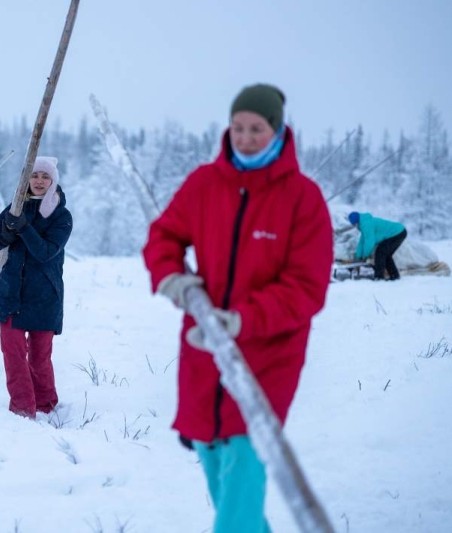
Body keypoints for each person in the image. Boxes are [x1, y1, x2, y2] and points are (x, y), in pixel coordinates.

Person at [143, 84, 333, 532]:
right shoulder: (206, 184)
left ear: (279, 130)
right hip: (205, 350)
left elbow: (307, 286)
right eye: (238, 127)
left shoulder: (303, 199)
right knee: (218, 473)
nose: (245, 137)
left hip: (268, 357)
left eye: (257, 128)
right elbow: (164, 236)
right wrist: (171, 277)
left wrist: (243, 319)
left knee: (242, 476)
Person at [0, 157, 73, 419]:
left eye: (45, 176)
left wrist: (23, 228)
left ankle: (46, 405)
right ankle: (22, 408)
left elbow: (45, 252)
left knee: (39, 358)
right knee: (12, 353)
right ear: (27, 179)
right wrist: (4, 236)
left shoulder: (61, 216)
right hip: (12, 294)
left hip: (45, 295)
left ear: (53, 180)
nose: (40, 181)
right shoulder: (15, 208)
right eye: (35, 176)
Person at [348, 211, 407, 280]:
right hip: (399, 232)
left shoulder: (367, 225)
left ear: (357, 222)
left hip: (397, 233)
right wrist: (358, 256)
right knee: (386, 254)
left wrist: (365, 255)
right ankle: (394, 276)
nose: (355, 226)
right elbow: (362, 242)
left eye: (355, 224)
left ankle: (379, 277)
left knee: (380, 252)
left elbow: (370, 242)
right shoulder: (364, 224)